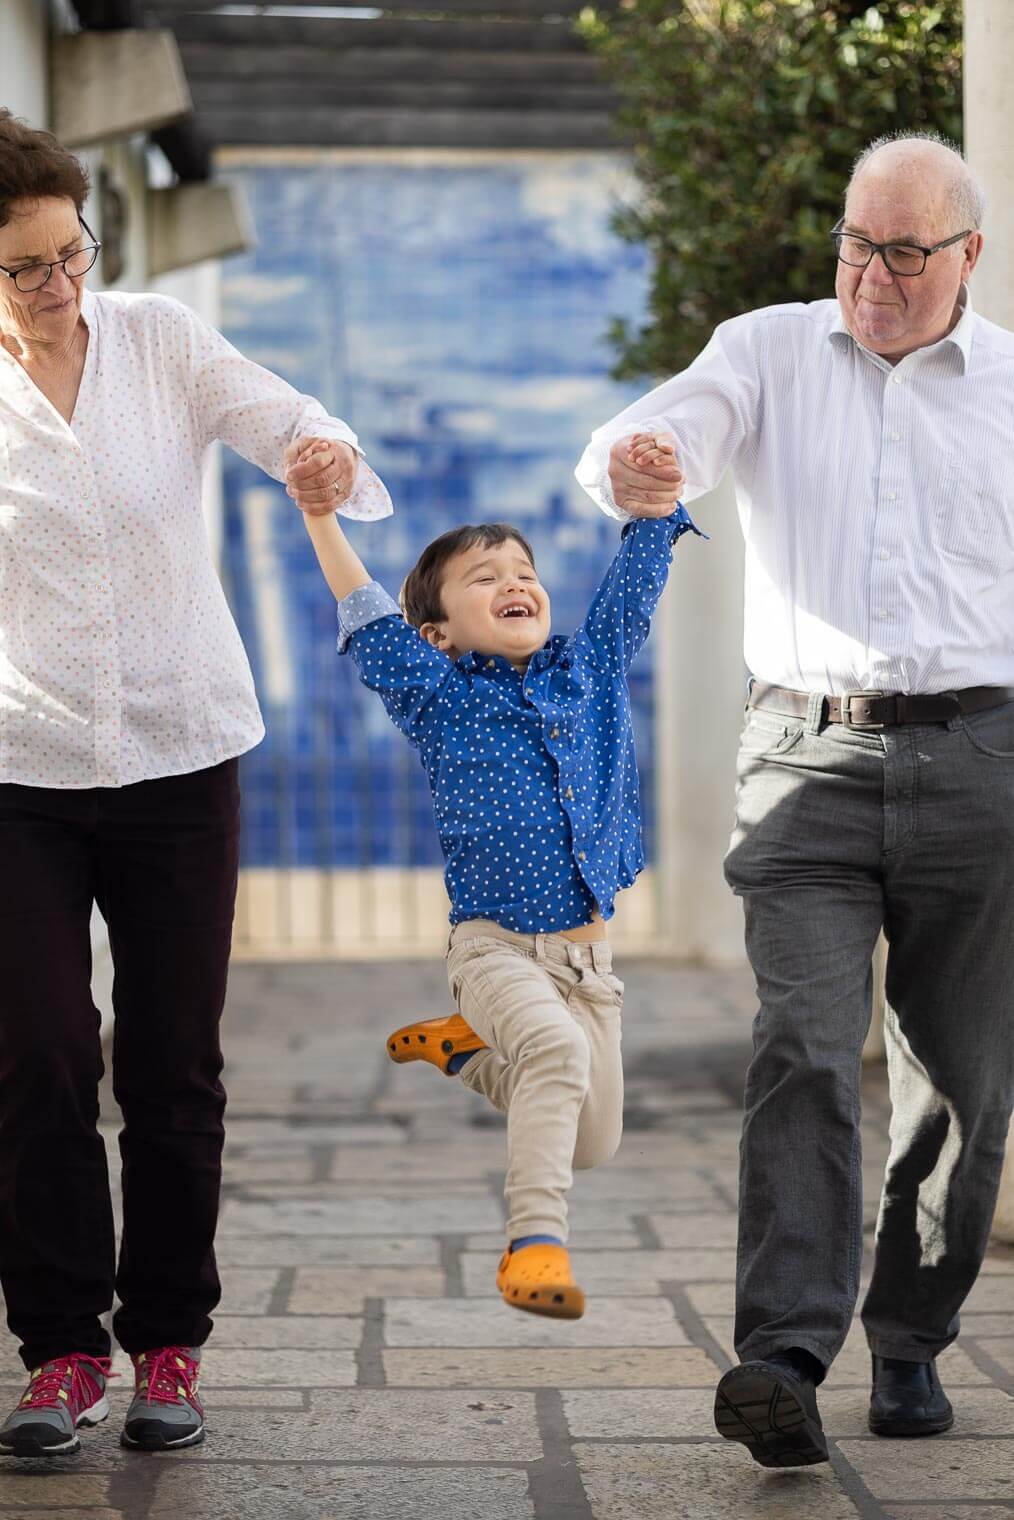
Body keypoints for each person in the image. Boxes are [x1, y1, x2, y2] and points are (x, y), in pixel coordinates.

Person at [576, 131, 1014, 1467]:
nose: (867, 275)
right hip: (804, 762)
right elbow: (657, 441)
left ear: (963, 258)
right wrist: (635, 469)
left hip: (983, 761)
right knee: (804, 1055)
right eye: (851, 242)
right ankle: (780, 1356)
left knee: (959, 1086)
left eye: (899, 250)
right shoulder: (764, 348)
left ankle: (909, 1343)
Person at [0, 110, 391, 1458]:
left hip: (178, 751)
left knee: (171, 1064)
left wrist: (321, 453)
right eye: (25, 269)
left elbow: (282, 415)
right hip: (19, 767)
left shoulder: (157, 338)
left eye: (70, 254)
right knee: (40, 1053)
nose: (60, 289)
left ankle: (168, 1341)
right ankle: (57, 1350)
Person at [299, 464, 701, 1317]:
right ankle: (534, 1248)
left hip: (590, 961)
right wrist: (319, 515)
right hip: (494, 949)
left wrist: (659, 505)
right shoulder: (437, 695)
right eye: (484, 579)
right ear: (438, 632)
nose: (514, 582)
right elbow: (367, 610)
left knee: (592, 1142)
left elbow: (636, 579)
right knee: (553, 1059)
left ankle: (461, 1049)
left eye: (523, 572)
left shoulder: (591, 670)